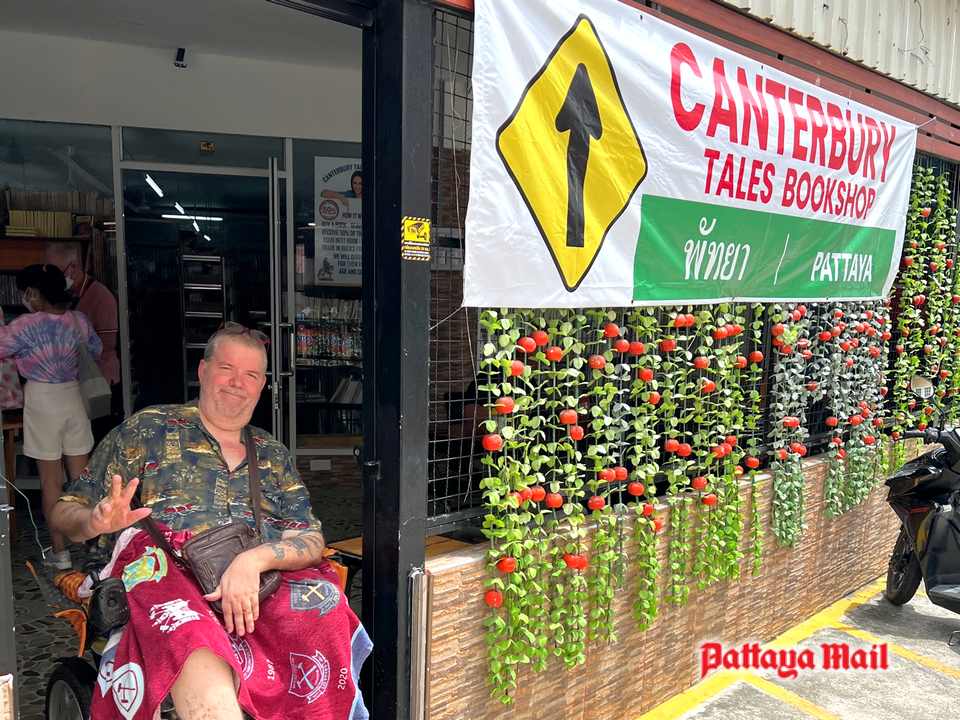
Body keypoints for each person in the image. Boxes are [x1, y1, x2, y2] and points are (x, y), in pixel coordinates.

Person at [50, 322, 370, 720]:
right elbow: (63, 513)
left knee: (325, 611)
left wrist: (253, 562)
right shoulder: (148, 430)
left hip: (253, 587)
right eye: (226, 368)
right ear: (203, 371)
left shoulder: (271, 453)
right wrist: (96, 521)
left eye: (250, 375)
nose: (237, 383)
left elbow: (309, 536)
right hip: (165, 583)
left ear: (262, 385)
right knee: (193, 638)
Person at [0, 264, 102, 571]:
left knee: (51, 482)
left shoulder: (25, 325)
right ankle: (92, 548)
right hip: (74, 397)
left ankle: (60, 554)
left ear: (32, 293)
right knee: (81, 480)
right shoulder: (78, 320)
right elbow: (95, 350)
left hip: (41, 399)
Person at [45, 241, 121, 443]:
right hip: (69, 386)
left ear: (73, 267)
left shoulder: (101, 297)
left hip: (96, 382)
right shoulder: (59, 295)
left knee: (97, 443)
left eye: (55, 271)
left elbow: (107, 345)